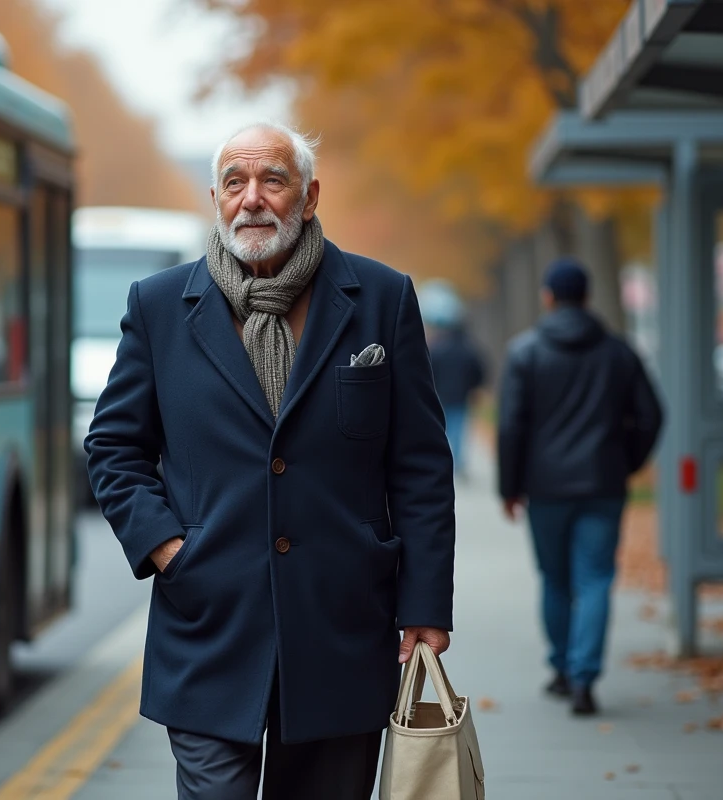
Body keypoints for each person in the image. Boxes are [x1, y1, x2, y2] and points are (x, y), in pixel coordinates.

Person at [85, 123, 456, 799]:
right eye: (235, 183)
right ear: (217, 198)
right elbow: (114, 445)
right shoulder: (160, 306)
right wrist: (168, 547)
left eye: (272, 181)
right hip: (208, 623)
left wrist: (426, 603)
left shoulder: (381, 298)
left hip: (341, 625)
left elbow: (420, 467)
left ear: (309, 197)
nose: (252, 199)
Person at [497, 257, 663, 716]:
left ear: (548, 296)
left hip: (546, 488)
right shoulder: (618, 351)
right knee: (595, 579)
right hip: (603, 484)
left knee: (555, 578)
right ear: (587, 297)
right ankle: (586, 677)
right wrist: (625, 462)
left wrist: (509, 488)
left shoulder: (525, 352)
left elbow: (511, 427)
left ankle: (563, 670)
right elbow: (651, 415)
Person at [426, 317, 485, 477]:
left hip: (441, 394)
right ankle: (457, 462)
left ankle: (444, 458)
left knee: (443, 427)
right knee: (458, 428)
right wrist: (474, 386)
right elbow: (478, 370)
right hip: (461, 395)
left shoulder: (438, 348)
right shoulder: (469, 349)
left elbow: (430, 370)